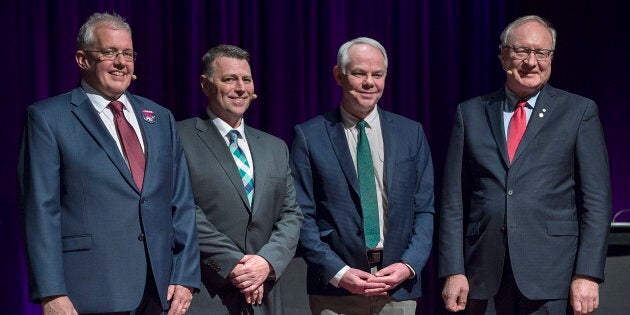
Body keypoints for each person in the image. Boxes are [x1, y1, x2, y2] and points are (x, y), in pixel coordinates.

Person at [18, 12, 200, 314]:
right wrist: (51, 292)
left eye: (127, 54)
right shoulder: (48, 118)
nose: (121, 63)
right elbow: (40, 209)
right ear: (82, 59)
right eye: (109, 53)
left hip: (160, 292)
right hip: (87, 293)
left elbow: (181, 202)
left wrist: (186, 275)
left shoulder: (159, 118)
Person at [439, 15, 611, 315]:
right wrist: (453, 270)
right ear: (503, 54)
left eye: (542, 53)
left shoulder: (578, 112)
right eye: (522, 51)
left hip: (552, 275)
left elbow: (597, 201)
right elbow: (453, 201)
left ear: (551, 58)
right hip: (483, 275)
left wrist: (587, 273)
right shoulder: (470, 114)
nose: (532, 62)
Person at [290, 37, 435, 314]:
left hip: (397, 288)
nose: (369, 82)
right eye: (359, 73)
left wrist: (408, 265)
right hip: (336, 291)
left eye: (377, 74)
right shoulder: (309, 136)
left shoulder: (411, 133)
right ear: (338, 75)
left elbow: (424, 209)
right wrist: (338, 271)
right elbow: (300, 215)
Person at [176, 44, 303, 315]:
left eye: (246, 79)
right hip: (208, 292)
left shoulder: (275, 146)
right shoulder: (178, 137)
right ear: (205, 84)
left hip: (265, 292)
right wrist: (234, 263)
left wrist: (266, 262)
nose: (240, 88)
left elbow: (291, 214)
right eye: (229, 79)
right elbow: (182, 209)